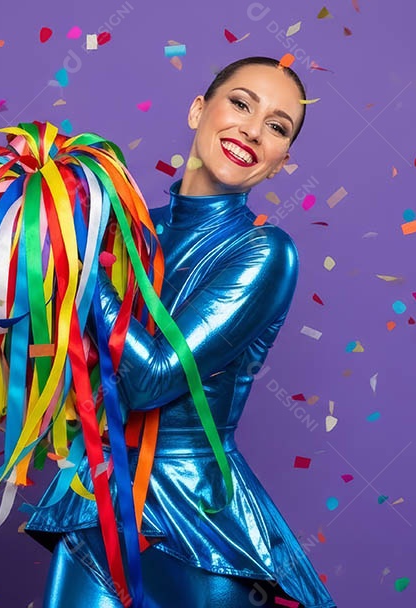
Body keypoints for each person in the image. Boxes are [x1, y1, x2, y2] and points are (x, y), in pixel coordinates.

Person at [24, 56, 336, 608]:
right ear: (199, 109)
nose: (252, 128)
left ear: (281, 162)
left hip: (197, 524)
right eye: (241, 103)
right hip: (98, 497)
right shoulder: (128, 229)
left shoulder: (264, 252)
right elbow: (63, 362)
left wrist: (78, 256)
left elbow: (153, 380)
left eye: (277, 126)